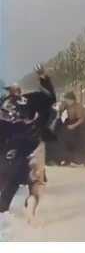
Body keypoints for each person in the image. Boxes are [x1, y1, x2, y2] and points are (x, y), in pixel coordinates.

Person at [0, 64, 56, 221]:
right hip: (33, 141)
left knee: (12, 177)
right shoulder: (31, 99)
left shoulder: (3, 103)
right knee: (34, 178)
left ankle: (3, 206)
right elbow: (50, 98)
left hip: (11, 145)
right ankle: (32, 199)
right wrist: (44, 78)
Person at [58, 91, 85, 166]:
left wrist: (73, 126)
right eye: (66, 100)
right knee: (65, 141)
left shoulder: (78, 107)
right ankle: (68, 159)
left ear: (72, 99)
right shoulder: (67, 105)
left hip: (79, 125)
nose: (66, 101)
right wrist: (61, 106)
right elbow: (60, 111)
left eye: (67, 99)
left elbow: (81, 119)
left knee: (78, 143)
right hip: (70, 123)